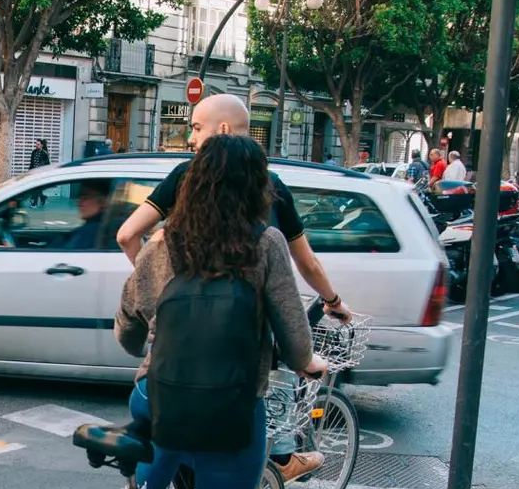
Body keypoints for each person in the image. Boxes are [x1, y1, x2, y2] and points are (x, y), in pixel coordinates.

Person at [116, 134, 324, 489]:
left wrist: (146, 344)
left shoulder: (165, 244)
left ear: (194, 184)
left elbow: (128, 322)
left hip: (163, 408)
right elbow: (294, 339)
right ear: (257, 188)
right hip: (233, 420)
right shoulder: (266, 246)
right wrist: (302, 361)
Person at [116, 94, 352, 325]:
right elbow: (306, 262)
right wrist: (333, 301)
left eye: (197, 128)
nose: (191, 138)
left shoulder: (185, 177)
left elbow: (127, 235)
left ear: (224, 129)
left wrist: (162, 288)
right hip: (249, 330)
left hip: (186, 326)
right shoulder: (273, 186)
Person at [64, 178, 113, 250]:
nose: (79, 202)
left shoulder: (92, 231)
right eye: (79, 197)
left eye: (85, 197)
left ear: (103, 201)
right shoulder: (97, 227)